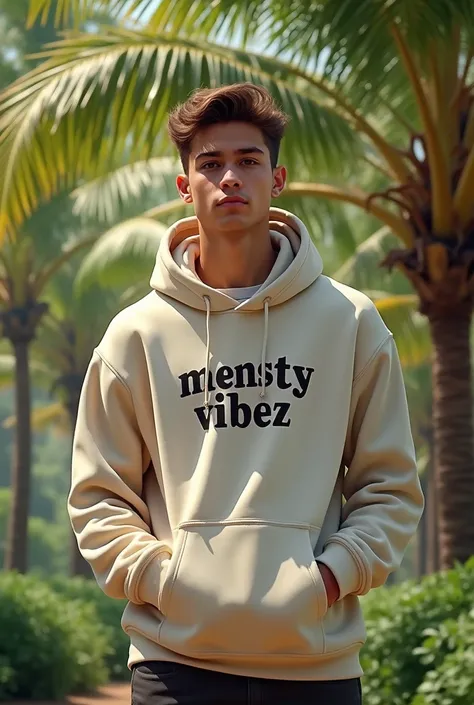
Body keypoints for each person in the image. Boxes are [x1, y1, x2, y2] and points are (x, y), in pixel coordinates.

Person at [68, 82, 424, 705]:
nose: (229, 177)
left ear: (277, 178)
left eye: (248, 161)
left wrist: (328, 579)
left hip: (315, 664)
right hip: (175, 661)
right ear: (185, 187)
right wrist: (167, 580)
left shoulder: (350, 322)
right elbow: (99, 496)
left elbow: (390, 487)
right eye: (210, 164)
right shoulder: (136, 334)